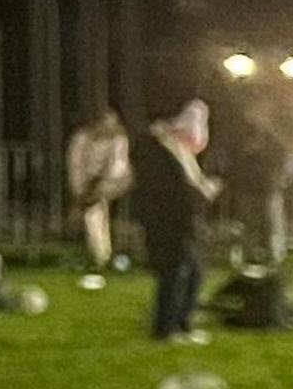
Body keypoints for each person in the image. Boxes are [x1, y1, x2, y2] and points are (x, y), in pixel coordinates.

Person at [126, 100, 218, 342]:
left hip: (180, 220)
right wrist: (199, 193)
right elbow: (167, 190)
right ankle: (166, 327)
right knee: (174, 272)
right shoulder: (154, 149)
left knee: (192, 272)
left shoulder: (173, 149)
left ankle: (182, 323)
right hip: (166, 220)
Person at [215, 103, 293, 273]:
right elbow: (228, 159)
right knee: (249, 223)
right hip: (246, 187)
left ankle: (273, 255)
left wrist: (283, 178)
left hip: (268, 187)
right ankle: (250, 255)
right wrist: (230, 177)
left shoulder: (273, 139)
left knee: (270, 223)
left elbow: (287, 159)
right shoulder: (239, 137)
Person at [64, 106, 131, 290]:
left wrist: (99, 188)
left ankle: (102, 257)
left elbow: (117, 167)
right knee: (93, 215)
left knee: (96, 213)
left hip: (114, 183)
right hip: (87, 185)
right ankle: (100, 256)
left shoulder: (118, 139)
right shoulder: (81, 138)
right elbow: (75, 164)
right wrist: (81, 191)